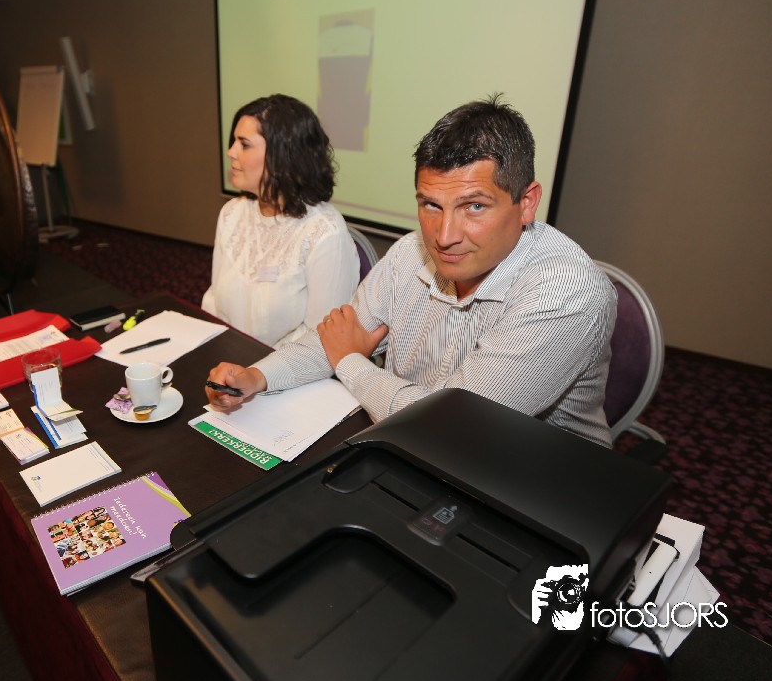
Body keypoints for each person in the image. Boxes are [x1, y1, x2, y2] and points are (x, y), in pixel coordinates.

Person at [206, 95, 617, 446]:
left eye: (474, 206)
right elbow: (334, 337)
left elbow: (451, 430)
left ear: (526, 204)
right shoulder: (410, 252)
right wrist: (257, 376)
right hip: (412, 449)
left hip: (538, 478)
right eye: (431, 205)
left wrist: (351, 362)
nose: (445, 236)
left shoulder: (566, 291)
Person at [201, 94, 359, 346]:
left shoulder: (325, 233)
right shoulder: (232, 213)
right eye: (234, 142)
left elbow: (321, 340)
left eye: (244, 144)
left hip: (288, 367)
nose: (231, 152)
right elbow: (213, 304)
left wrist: (256, 367)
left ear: (282, 155)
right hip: (227, 356)